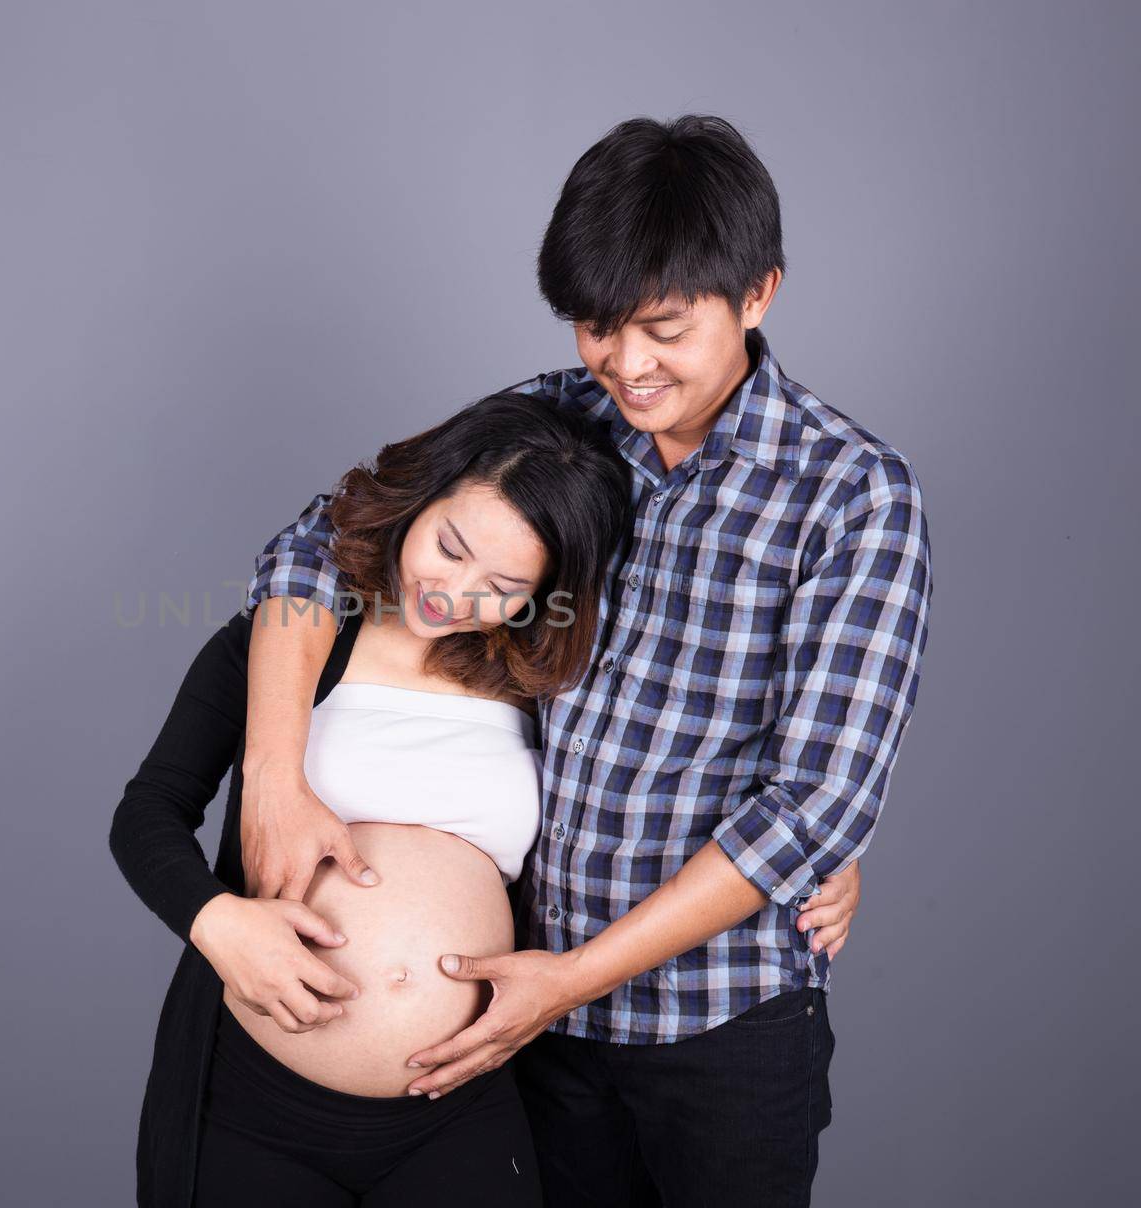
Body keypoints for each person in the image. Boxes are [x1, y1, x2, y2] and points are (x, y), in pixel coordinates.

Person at [238, 114, 931, 1208]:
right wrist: (272, 779)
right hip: (526, 1020)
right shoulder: (562, 421)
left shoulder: (851, 495)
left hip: (720, 1022)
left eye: (662, 327)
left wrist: (571, 980)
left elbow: (817, 800)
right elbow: (322, 543)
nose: (627, 363)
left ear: (758, 294)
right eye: (597, 328)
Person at [108, 391, 866, 1207]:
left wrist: (831, 849)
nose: (454, 592)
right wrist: (221, 925)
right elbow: (148, 811)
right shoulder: (294, 644)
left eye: (502, 584)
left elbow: (688, 772)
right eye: (450, 546)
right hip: (258, 1103)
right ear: (420, 500)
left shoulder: (544, 693)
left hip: (459, 1108)